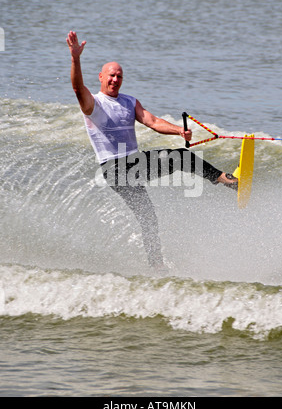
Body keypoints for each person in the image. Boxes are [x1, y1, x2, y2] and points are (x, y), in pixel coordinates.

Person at [66, 30, 238, 270]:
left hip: (133, 162)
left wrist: (179, 131)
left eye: (119, 76)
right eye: (111, 76)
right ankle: (229, 181)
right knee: (174, 169)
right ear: (101, 77)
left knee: (150, 213)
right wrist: (75, 57)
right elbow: (76, 88)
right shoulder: (92, 103)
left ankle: (156, 265)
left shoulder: (129, 101)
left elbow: (152, 121)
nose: (115, 80)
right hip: (114, 168)